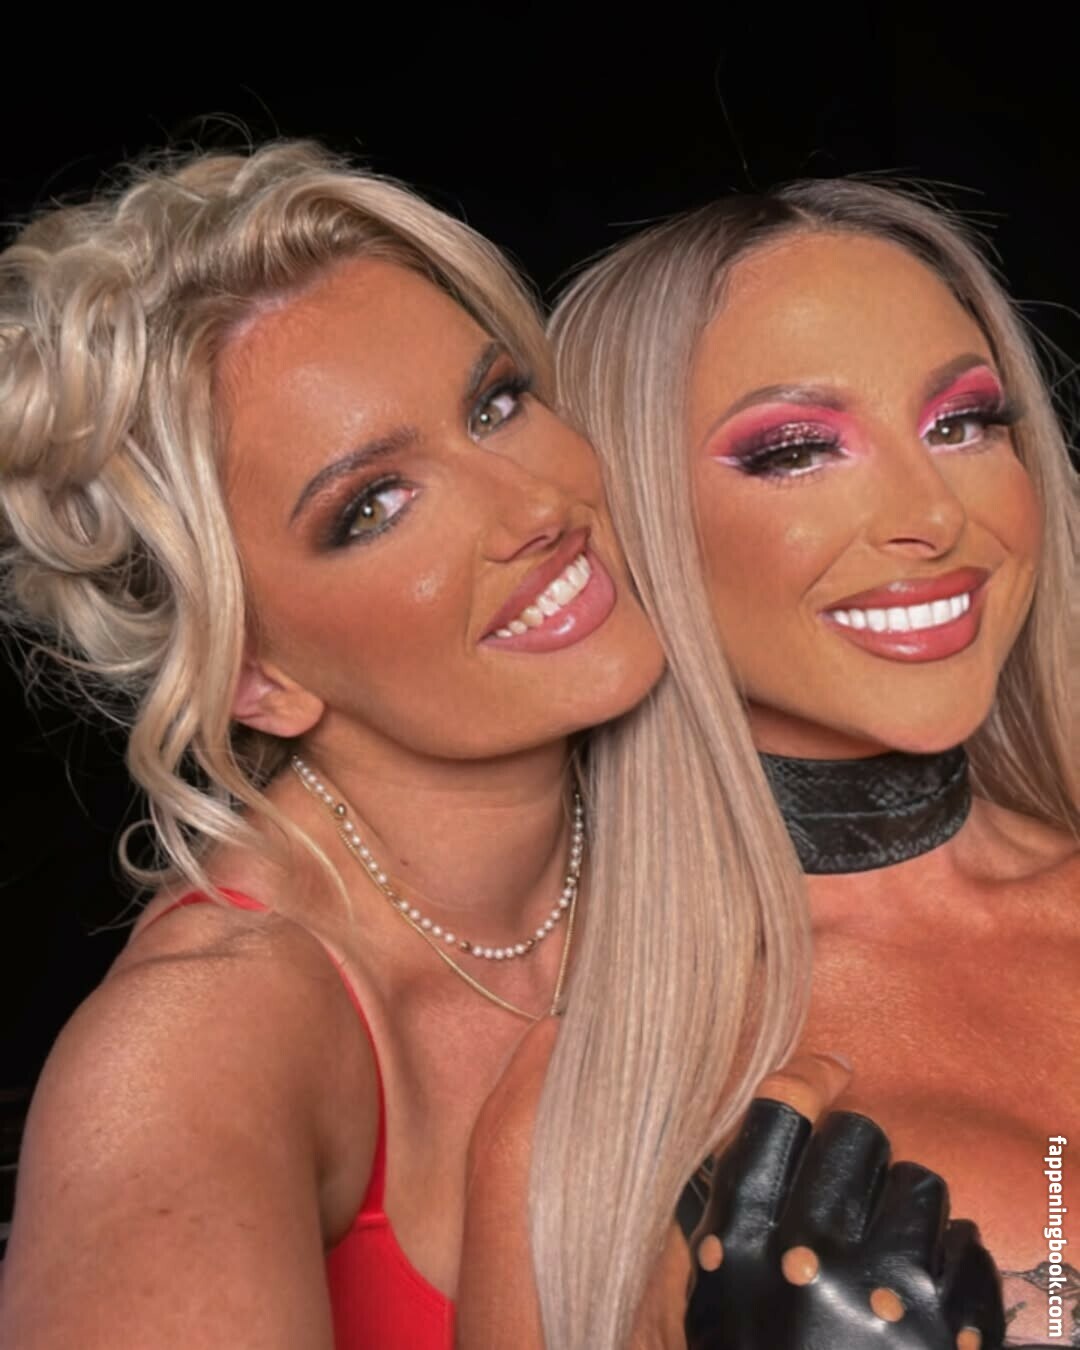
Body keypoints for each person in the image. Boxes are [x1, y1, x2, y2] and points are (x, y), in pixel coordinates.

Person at [0, 138, 827, 1349]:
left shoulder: (741, 825)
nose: (536, 506)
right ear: (252, 672)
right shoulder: (192, 1047)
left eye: (497, 404)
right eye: (374, 505)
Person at [548, 180, 1079, 1347]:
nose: (933, 514)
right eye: (797, 451)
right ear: (631, 521)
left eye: (963, 423)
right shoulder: (597, 1103)